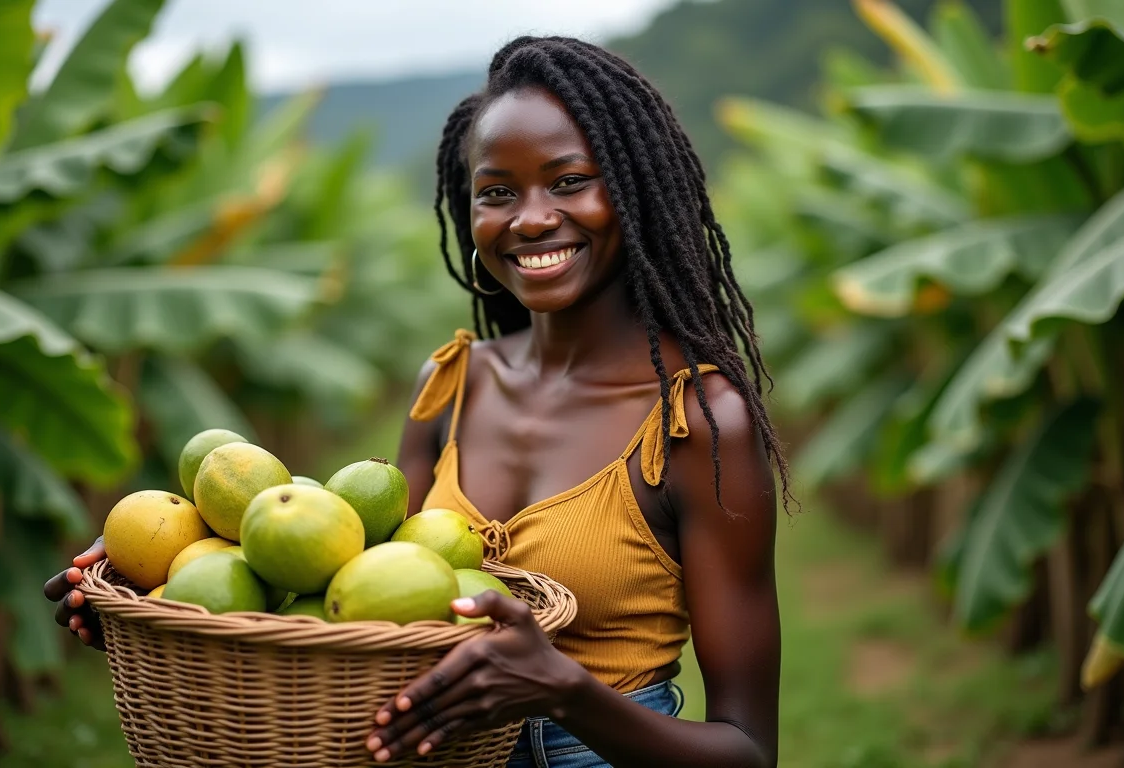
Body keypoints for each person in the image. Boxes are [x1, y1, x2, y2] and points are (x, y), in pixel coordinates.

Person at [46, 35, 789, 768]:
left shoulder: (697, 422)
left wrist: (563, 692)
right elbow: (354, 576)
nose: (529, 219)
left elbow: (747, 751)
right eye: (497, 192)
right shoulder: (451, 385)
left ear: (636, 194)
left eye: (568, 181)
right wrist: (173, 575)